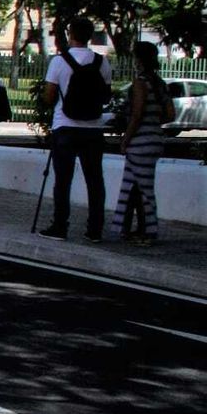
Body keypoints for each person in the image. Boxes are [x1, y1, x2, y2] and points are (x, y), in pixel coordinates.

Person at [39, 17, 111, 241]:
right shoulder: (102, 62)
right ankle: (95, 229)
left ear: (70, 34)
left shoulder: (59, 62)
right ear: (90, 36)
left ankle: (60, 226)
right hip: (93, 127)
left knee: (63, 180)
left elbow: (49, 96)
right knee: (95, 180)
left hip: (65, 125)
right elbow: (106, 95)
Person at [110, 41, 172, 244]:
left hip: (140, 142)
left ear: (139, 59)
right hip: (155, 139)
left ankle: (148, 231)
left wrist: (125, 139)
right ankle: (131, 228)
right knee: (134, 186)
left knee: (142, 189)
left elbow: (136, 114)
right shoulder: (159, 83)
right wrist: (154, 121)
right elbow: (170, 114)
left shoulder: (140, 83)